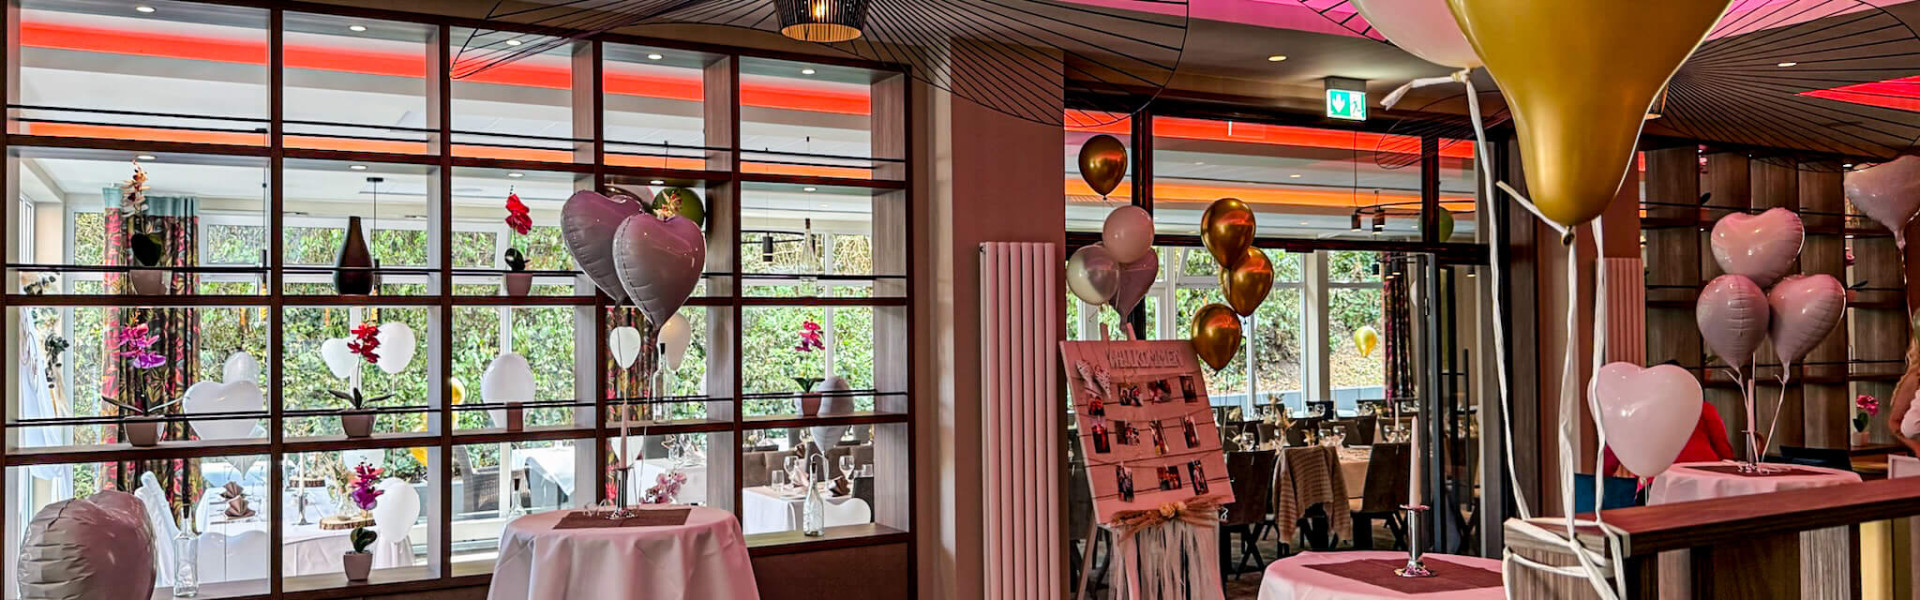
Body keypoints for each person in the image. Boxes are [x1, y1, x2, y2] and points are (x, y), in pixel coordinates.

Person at [1601, 395, 1736, 478]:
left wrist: (1602, 475)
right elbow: (1722, 446)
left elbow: (1616, 445)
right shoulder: (1703, 408)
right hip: (1705, 476)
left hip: (1659, 481)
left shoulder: (1640, 411)